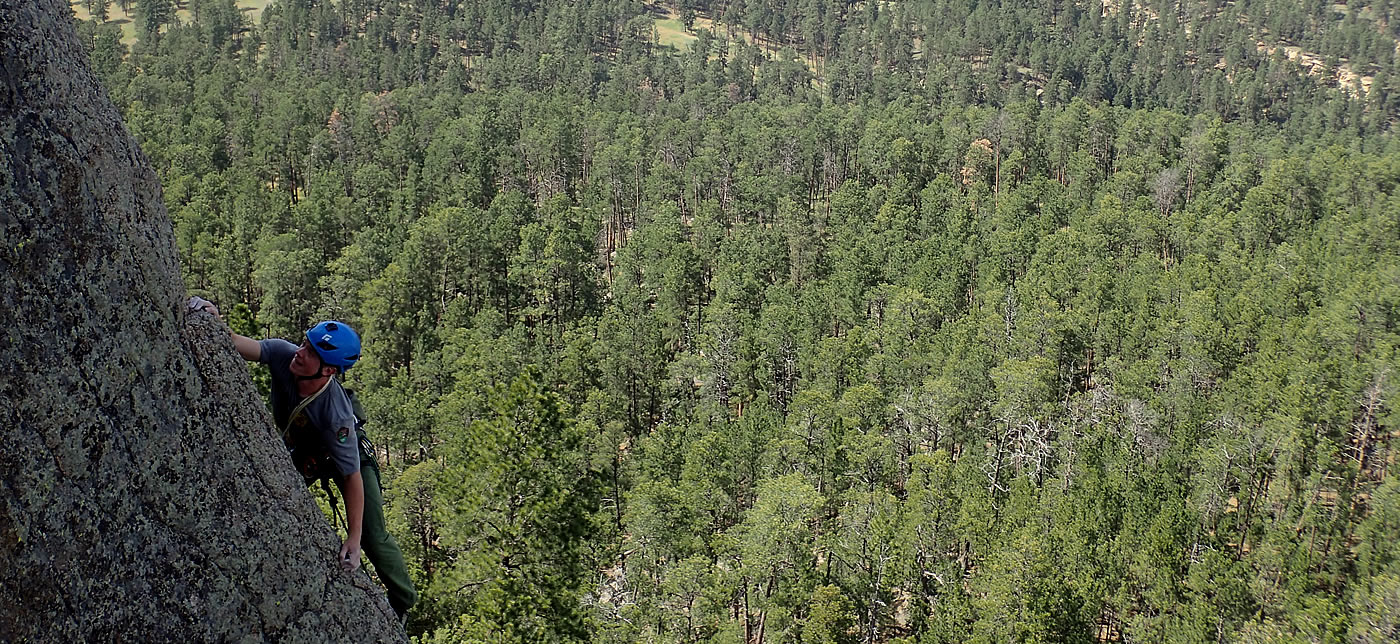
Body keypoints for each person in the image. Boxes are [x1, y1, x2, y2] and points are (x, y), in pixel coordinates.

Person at [188, 297, 417, 622]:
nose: (300, 351)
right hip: (305, 451)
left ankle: (403, 600)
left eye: (311, 352)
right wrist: (213, 317)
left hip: (350, 460)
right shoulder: (285, 356)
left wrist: (352, 539)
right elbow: (239, 344)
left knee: (372, 536)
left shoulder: (335, 414)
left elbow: (351, 476)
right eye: (304, 343)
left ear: (328, 370)